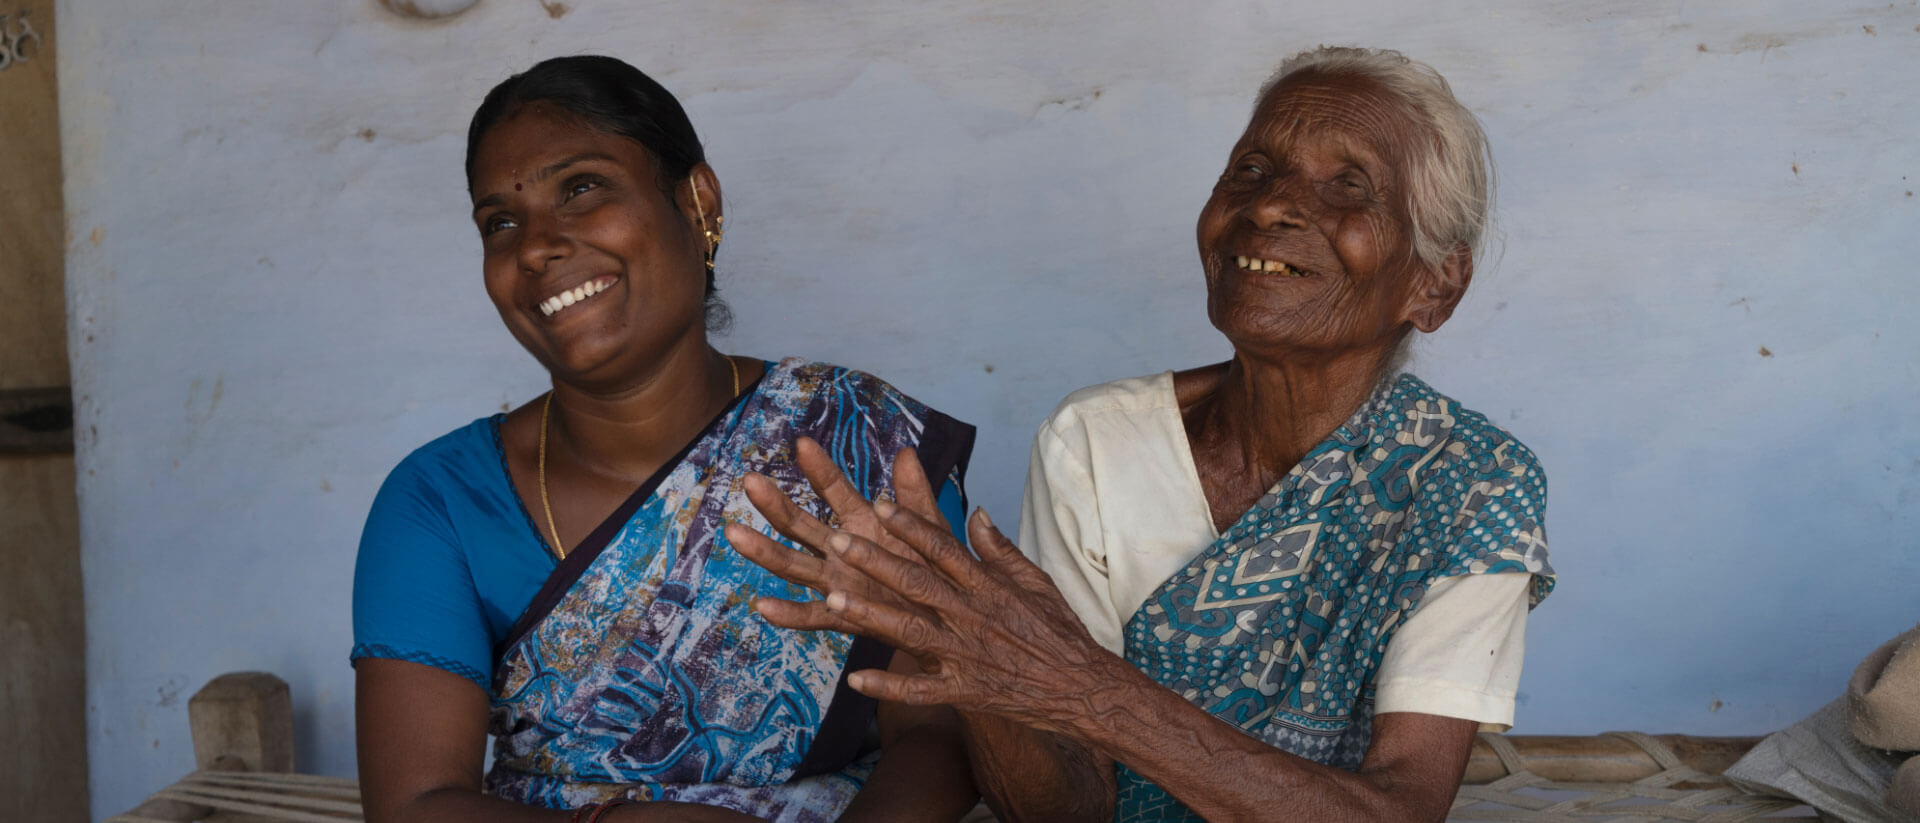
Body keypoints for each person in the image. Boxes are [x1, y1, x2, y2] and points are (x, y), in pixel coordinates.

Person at [732, 46, 1555, 822]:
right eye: (1252, 170)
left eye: (1350, 185)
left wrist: (1080, 685)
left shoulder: (1473, 484)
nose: (1269, 204)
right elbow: (1067, 808)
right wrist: (985, 668)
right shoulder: (1095, 439)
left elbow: (1399, 809)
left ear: (1436, 283)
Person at [350, 55, 980, 823]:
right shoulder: (442, 500)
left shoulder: (859, 438)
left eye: (580, 188)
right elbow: (415, 804)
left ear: (697, 200)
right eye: (500, 223)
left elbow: (935, 730)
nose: (536, 246)